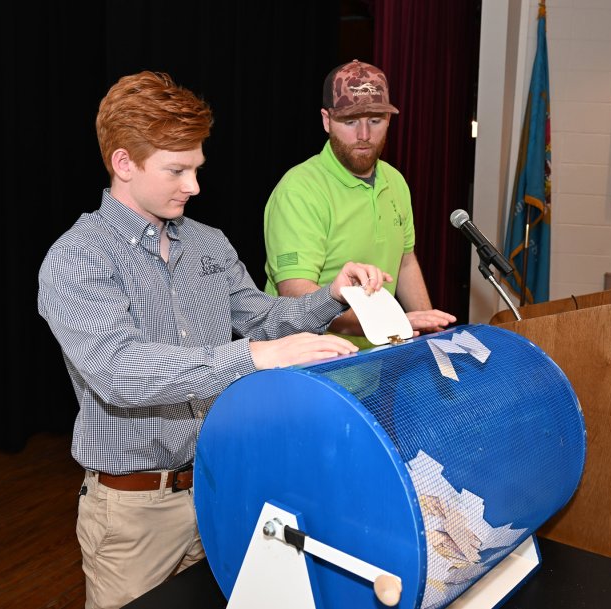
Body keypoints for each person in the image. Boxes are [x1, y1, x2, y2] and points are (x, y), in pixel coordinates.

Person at [37, 70, 392, 609]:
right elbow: (120, 372)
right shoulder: (79, 257)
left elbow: (264, 318)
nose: (194, 187)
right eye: (176, 170)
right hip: (133, 515)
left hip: (218, 487)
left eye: (197, 168)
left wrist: (331, 296)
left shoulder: (208, 244)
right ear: (124, 164)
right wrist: (257, 358)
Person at [263, 59, 456, 349]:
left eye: (375, 120)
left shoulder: (395, 181)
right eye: (350, 121)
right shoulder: (299, 189)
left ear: (389, 120)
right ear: (327, 120)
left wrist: (430, 332)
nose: (364, 135)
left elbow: (405, 262)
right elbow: (295, 294)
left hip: (372, 360)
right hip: (306, 366)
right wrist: (390, 325)